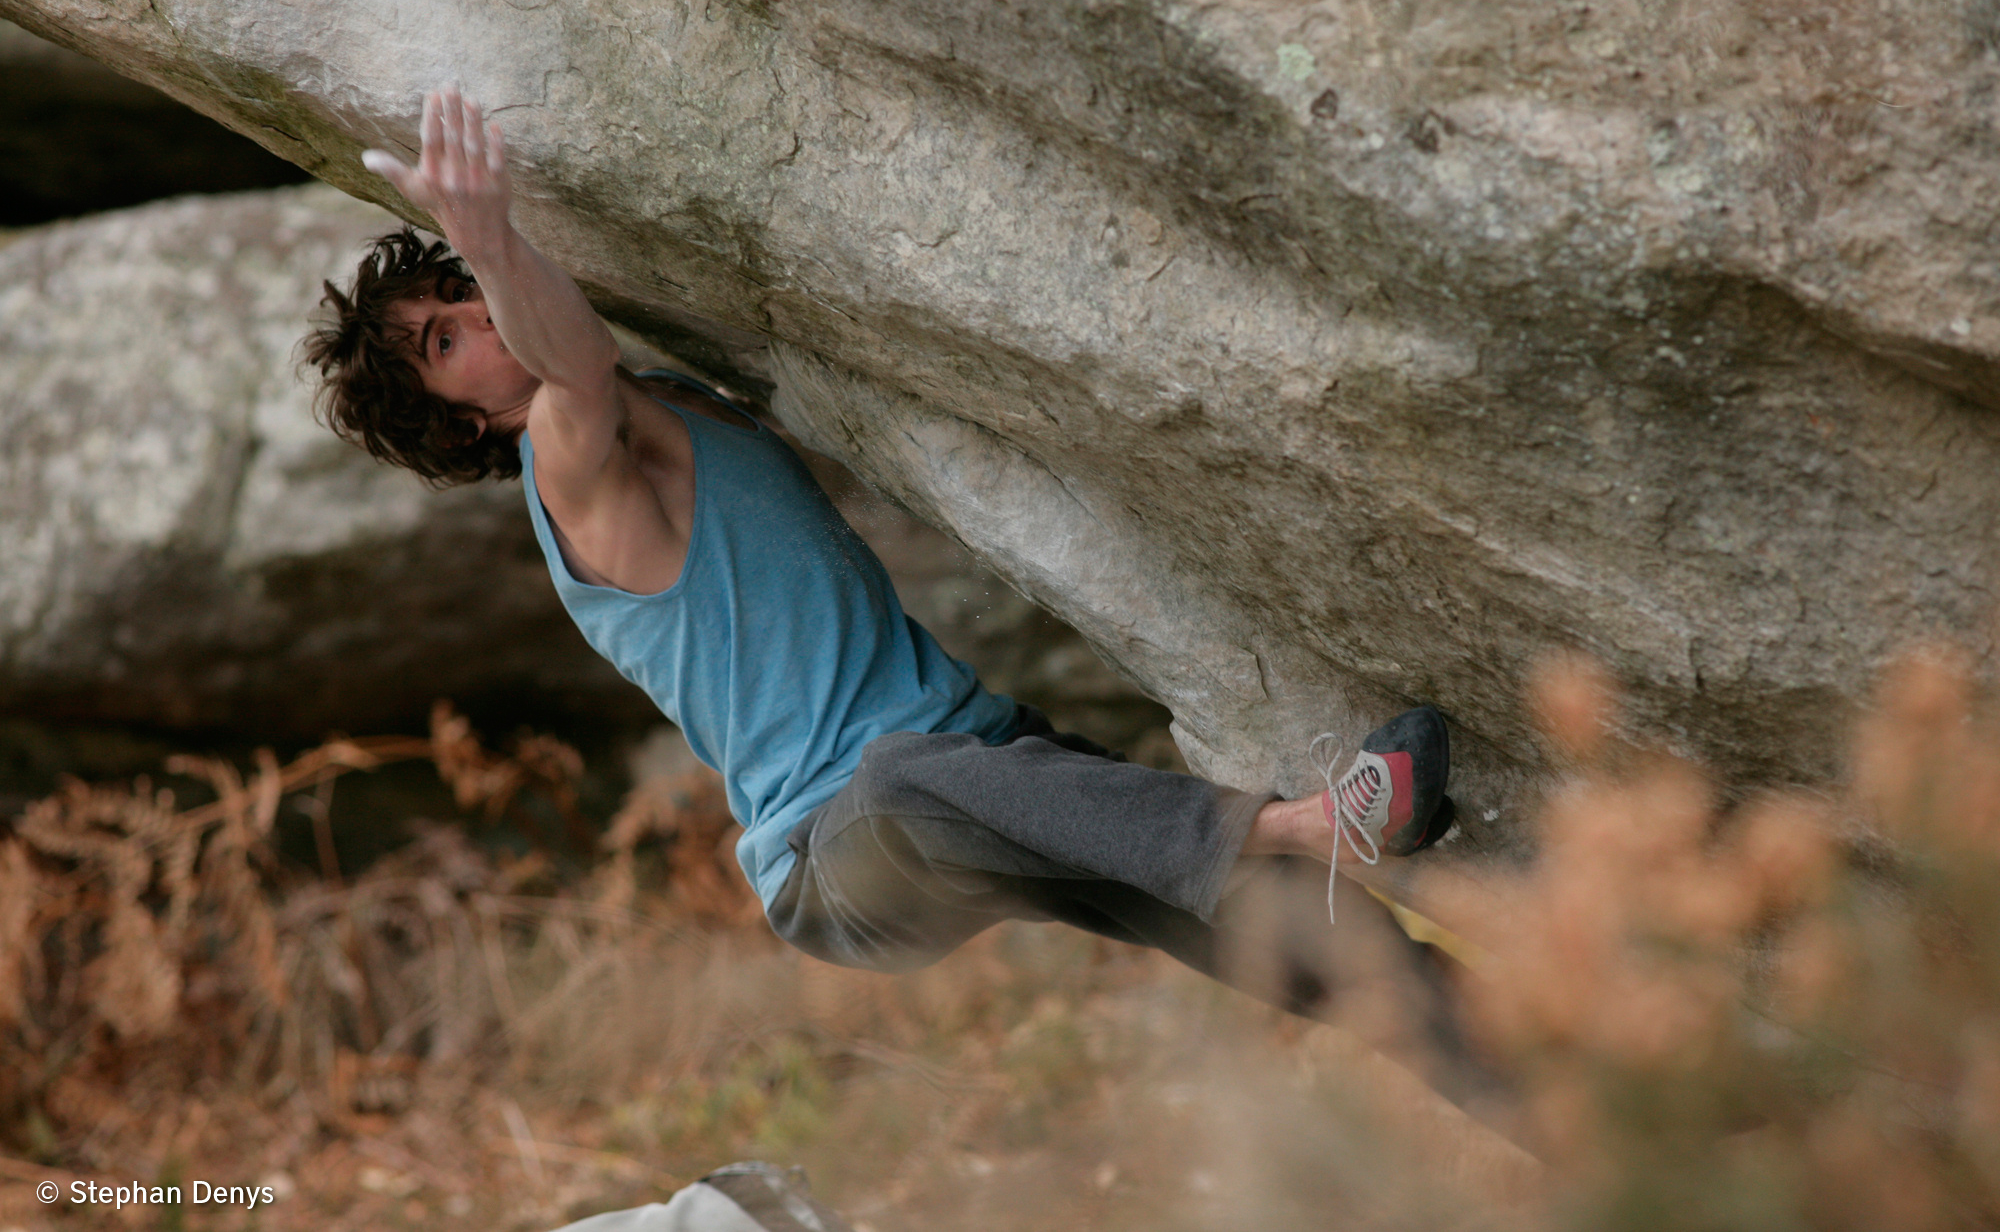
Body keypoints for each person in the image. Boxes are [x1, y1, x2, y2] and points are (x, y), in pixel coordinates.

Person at [303, 87, 1482, 1103]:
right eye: (445, 341)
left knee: (1317, 947)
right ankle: (1305, 825)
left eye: (458, 296)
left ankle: (1578, 1088)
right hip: (841, 857)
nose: (472, 316)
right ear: (464, 422)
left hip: (985, 772)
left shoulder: (664, 394)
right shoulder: (566, 465)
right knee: (909, 773)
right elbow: (572, 362)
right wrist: (493, 244)